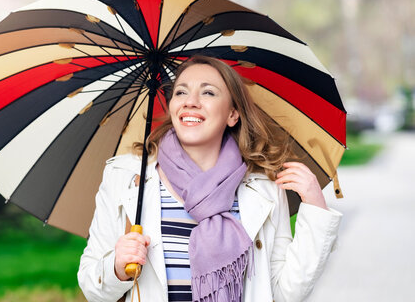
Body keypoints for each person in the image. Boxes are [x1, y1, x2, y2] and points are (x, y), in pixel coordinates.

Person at [78, 55, 342, 302]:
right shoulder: (126, 179)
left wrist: (315, 209)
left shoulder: (263, 191)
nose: (190, 101)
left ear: (232, 114)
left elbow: (285, 292)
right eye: (181, 91)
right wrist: (116, 268)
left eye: (208, 92)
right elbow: (91, 285)